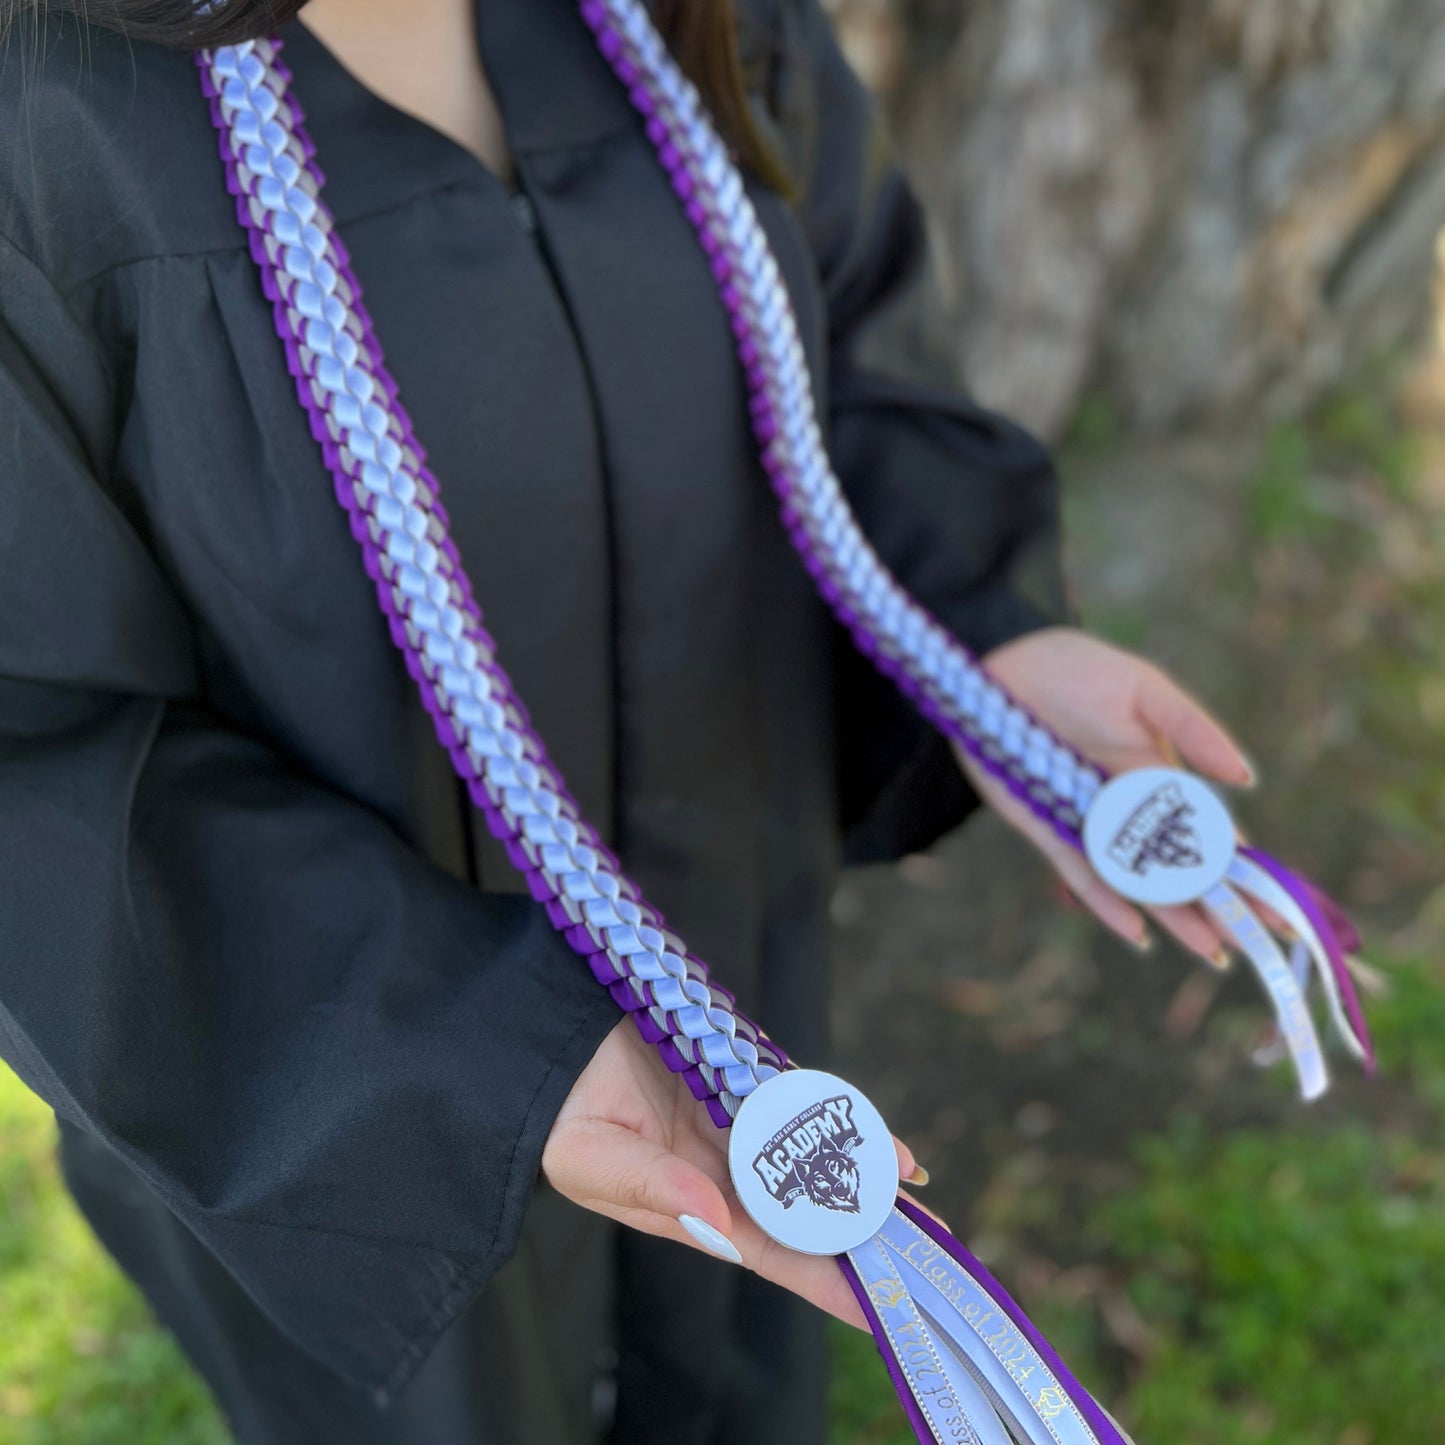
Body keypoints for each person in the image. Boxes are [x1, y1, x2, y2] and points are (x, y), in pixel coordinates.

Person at [0, 0, 1252, 1440]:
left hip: (734, 957)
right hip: (356, 1090)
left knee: (733, 1381)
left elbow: (846, 353)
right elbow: (37, 754)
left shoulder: (694, 17)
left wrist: (982, 633)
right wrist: (477, 1058)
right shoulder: (45, 126)